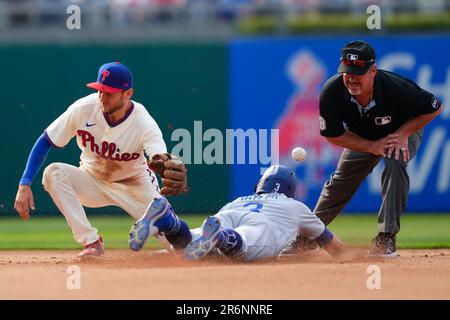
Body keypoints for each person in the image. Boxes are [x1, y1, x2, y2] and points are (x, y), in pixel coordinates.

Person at [14, 61, 190, 257]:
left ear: (128, 94)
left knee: (181, 251)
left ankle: (210, 241)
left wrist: (163, 163)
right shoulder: (84, 108)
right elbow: (46, 140)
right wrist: (25, 182)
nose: (102, 97)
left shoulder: (144, 123)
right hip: (91, 180)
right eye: (100, 91)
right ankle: (91, 242)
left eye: (109, 93)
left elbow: (159, 156)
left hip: (134, 184)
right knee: (54, 173)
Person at [314, 40, 443, 257]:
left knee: (395, 161)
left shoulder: (395, 87)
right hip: (364, 136)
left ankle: (386, 237)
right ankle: (310, 234)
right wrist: (371, 146)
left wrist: (403, 134)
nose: (352, 78)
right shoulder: (332, 91)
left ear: (373, 71)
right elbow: (332, 134)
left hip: (400, 130)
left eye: (359, 72)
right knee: (340, 181)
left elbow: (434, 107)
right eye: (347, 72)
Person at [130, 165, 344, 262]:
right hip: (261, 225)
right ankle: (218, 237)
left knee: (189, 245)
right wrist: (344, 257)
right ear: (289, 190)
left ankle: (168, 220)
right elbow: (331, 243)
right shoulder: (295, 207)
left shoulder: (239, 199)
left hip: (228, 214)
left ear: (260, 184)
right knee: (243, 244)